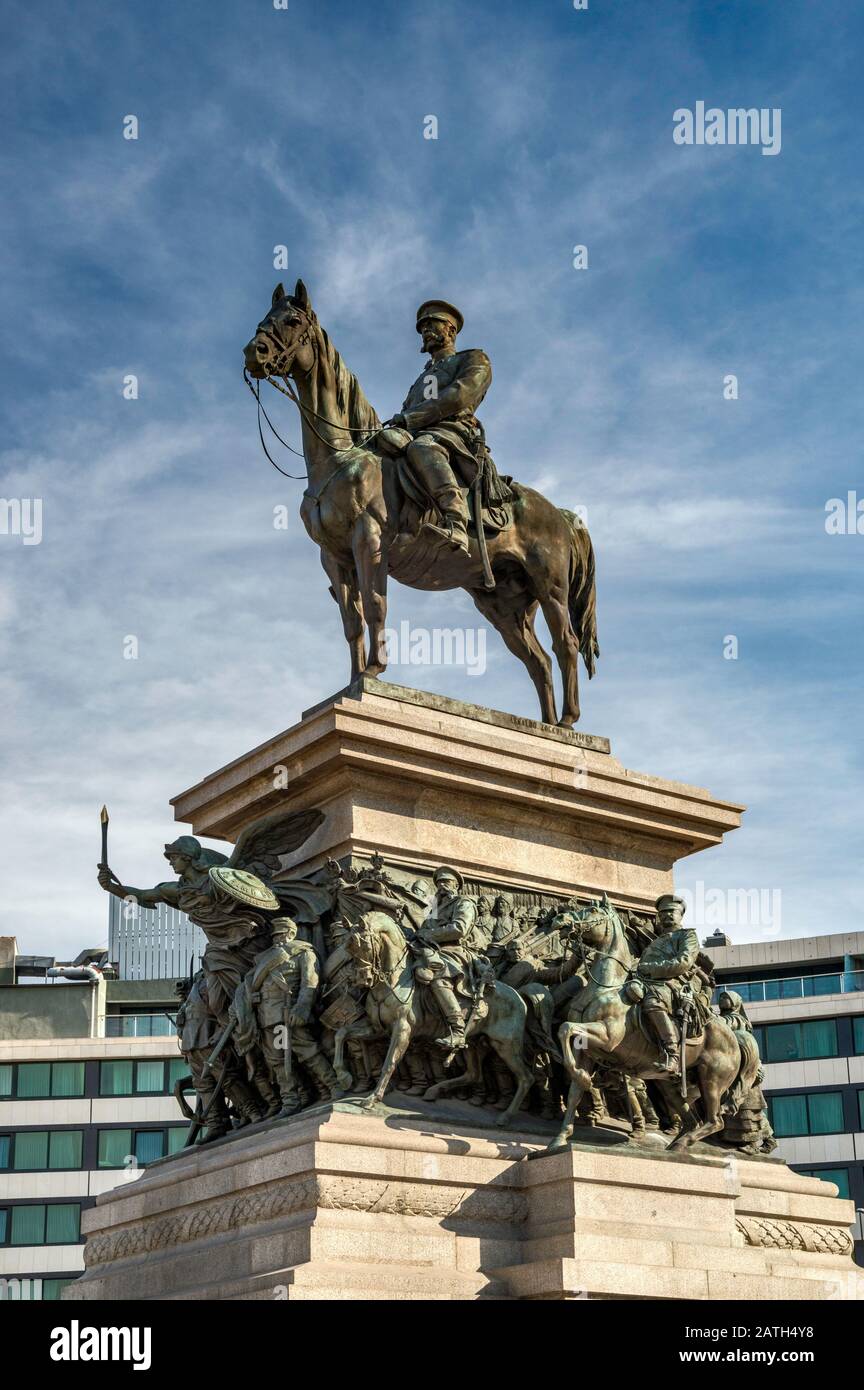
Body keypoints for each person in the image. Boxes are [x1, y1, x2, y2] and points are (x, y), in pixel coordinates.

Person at [380, 300, 507, 554]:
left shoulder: (473, 359)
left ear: (450, 330)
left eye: (431, 325)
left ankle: (456, 520)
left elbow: (459, 396)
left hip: (452, 431)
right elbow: (408, 410)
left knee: (422, 447)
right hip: (416, 430)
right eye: (422, 327)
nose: (426, 330)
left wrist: (412, 418)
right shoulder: (422, 379)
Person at [241, 917, 345, 1117]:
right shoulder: (263, 960)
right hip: (268, 1017)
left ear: (291, 933)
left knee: (308, 1053)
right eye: (276, 935)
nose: (278, 939)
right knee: (278, 1061)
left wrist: (302, 1008)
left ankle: (334, 1086)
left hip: (290, 1013)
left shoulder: (303, 953)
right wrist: (252, 998)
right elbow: (251, 985)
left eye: (282, 934)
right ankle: (290, 1100)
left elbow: (310, 983)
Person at [637, 894, 711, 1075]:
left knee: (653, 1002)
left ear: (681, 915)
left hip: (675, 983)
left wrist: (650, 969)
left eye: (671, 912)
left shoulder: (687, 935)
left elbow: (684, 962)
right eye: (662, 913)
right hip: (647, 981)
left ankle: (673, 1054)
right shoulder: (655, 941)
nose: (666, 916)